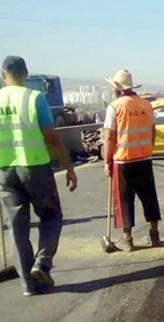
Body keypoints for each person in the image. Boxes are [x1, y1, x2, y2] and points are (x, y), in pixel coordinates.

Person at [0, 56, 77, 296]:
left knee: (17, 227)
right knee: (51, 215)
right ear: (25, 73)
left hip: (5, 171)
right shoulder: (34, 98)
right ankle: (42, 264)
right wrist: (68, 167)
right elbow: (51, 137)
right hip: (35, 167)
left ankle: (27, 286)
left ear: (4, 74)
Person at [102, 69, 161, 251]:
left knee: (124, 200)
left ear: (117, 89)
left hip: (123, 161)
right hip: (144, 158)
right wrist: (147, 149)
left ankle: (127, 239)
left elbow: (109, 137)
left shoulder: (115, 107)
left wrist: (106, 162)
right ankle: (154, 233)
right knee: (149, 196)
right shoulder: (146, 105)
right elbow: (153, 132)